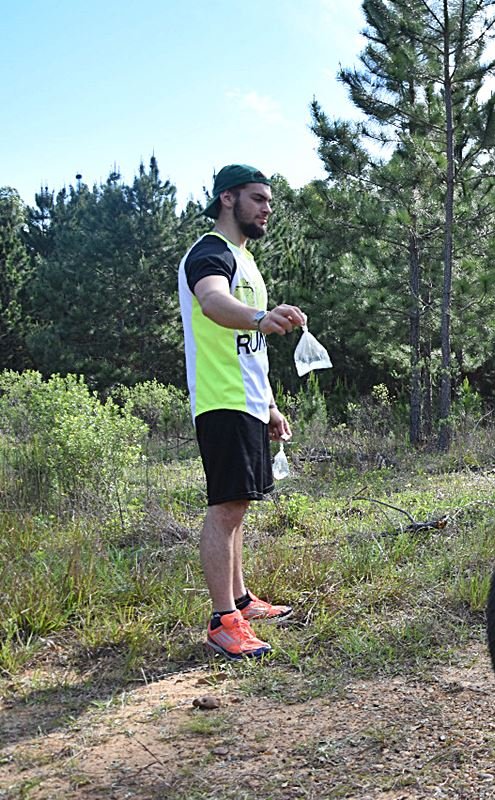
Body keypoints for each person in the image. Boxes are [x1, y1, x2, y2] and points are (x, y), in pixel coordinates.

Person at [177, 164, 307, 659]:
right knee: (226, 506)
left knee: (240, 505)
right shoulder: (209, 253)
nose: (267, 208)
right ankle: (222, 621)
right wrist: (259, 316)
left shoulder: (245, 260)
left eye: (269, 201)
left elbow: (252, 346)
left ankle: (242, 601)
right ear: (227, 199)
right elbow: (212, 303)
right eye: (258, 199)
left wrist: (270, 405)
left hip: (248, 400)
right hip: (219, 397)